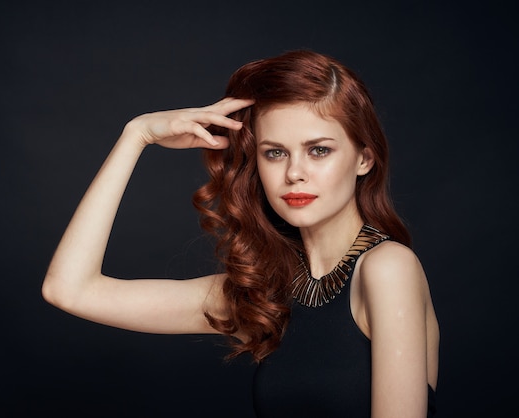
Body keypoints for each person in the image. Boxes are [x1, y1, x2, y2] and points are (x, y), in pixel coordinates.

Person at [42, 49, 440, 417]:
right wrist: (136, 136)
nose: (294, 172)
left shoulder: (388, 268)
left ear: (364, 159)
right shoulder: (265, 294)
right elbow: (69, 290)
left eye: (319, 150)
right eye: (275, 152)